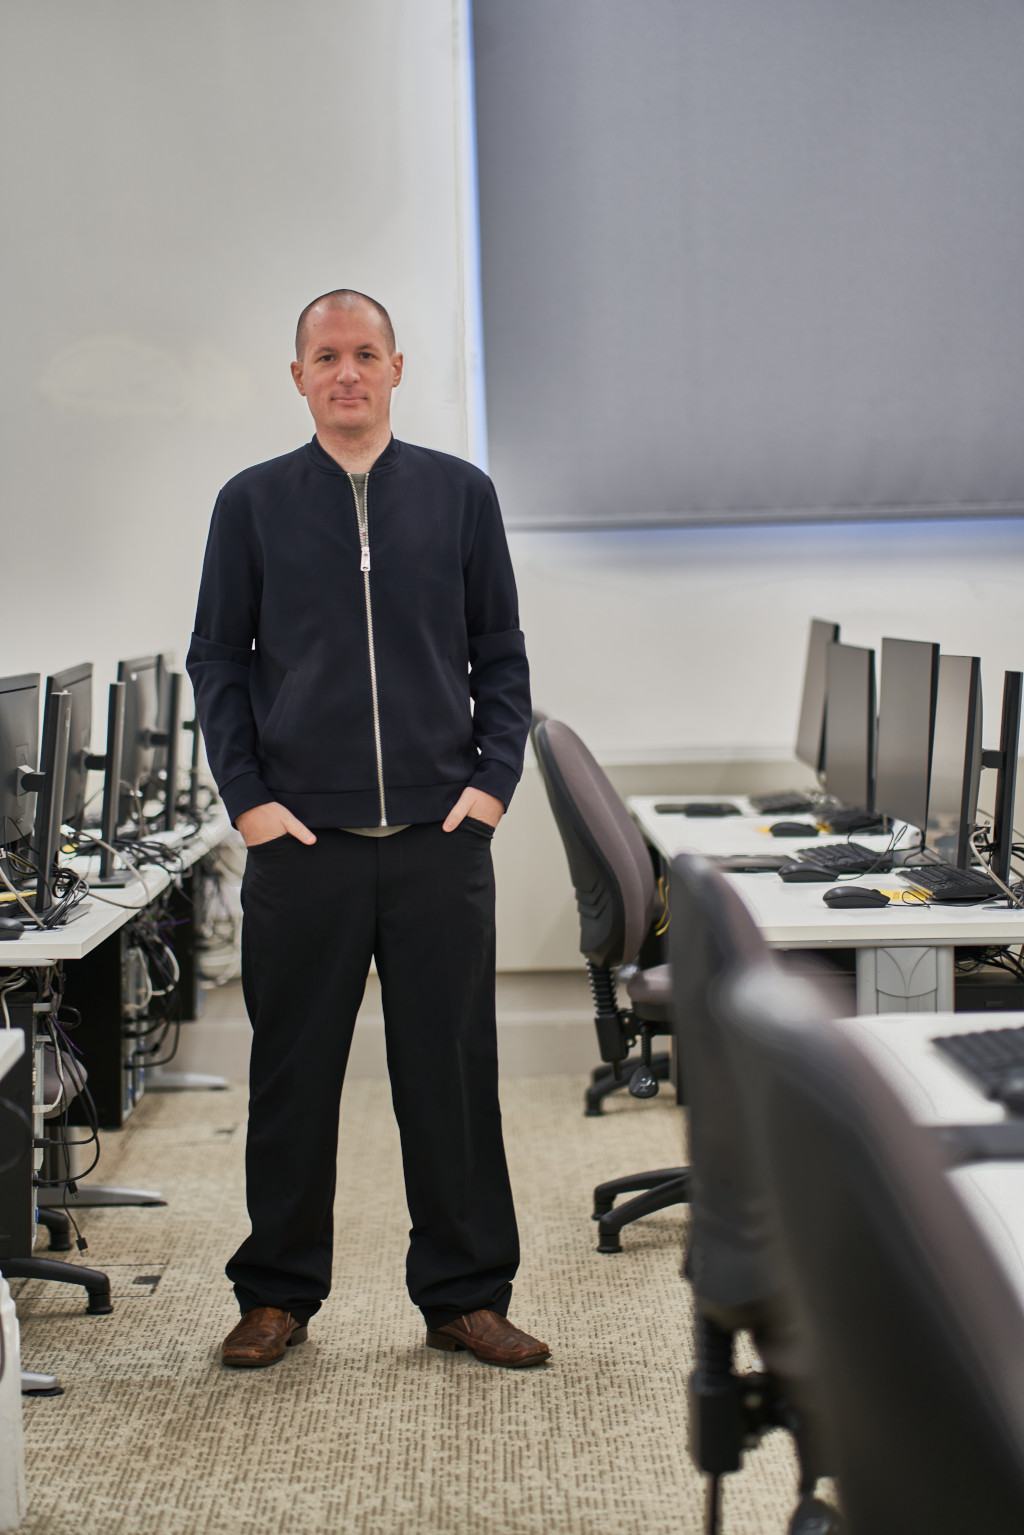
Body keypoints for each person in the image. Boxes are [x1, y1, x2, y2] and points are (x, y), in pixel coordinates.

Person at [186, 289, 548, 1370]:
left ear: (398, 367)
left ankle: (465, 1293)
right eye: (325, 355)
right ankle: (277, 1293)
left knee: (450, 1074)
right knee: (293, 1077)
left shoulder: (458, 494)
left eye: (365, 353)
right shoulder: (250, 503)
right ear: (297, 376)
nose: (347, 371)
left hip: (439, 840)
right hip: (304, 847)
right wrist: (249, 801)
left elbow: (502, 652)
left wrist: (488, 786)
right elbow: (219, 661)